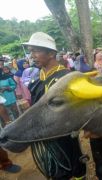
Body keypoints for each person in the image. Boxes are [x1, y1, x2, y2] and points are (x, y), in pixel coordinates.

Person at [22, 32, 86, 179]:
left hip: (66, 135)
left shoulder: (67, 78)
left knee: (76, 167)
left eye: (36, 51)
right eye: (31, 51)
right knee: (54, 168)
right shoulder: (35, 80)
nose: (32, 55)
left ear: (51, 53)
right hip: (46, 137)